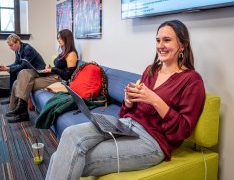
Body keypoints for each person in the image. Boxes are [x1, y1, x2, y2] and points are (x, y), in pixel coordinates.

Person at [45, 20, 205, 180]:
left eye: (167, 40)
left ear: (182, 45)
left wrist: (155, 100)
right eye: (158, 40)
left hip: (152, 141)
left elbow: (182, 130)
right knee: (70, 134)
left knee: (63, 157)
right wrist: (129, 101)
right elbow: (128, 112)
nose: (160, 45)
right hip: (126, 125)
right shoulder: (151, 70)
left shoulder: (192, 80)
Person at [6, 29, 78, 123]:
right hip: (51, 75)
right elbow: (60, 67)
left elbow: (67, 75)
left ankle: (22, 112)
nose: (58, 40)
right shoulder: (63, 52)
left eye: (60, 38)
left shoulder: (72, 54)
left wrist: (52, 69)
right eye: (57, 38)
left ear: (67, 39)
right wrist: (50, 67)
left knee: (19, 82)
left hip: (58, 79)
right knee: (22, 74)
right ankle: (13, 109)